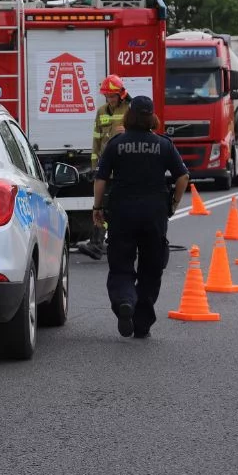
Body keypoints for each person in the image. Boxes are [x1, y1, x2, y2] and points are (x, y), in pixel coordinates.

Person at [92, 95, 190, 339]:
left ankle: (125, 300)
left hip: (122, 213)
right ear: (152, 117)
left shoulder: (116, 144)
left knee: (120, 265)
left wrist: (97, 208)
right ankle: (142, 322)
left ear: (130, 115)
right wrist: (174, 203)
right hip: (154, 214)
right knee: (151, 268)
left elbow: (101, 178)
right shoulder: (164, 144)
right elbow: (182, 176)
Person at [76, 74, 130, 259]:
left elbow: (144, 131)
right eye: (107, 96)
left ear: (121, 94)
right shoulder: (101, 112)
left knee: (122, 206)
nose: (110, 99)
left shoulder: (130, 110)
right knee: (101, 205)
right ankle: (96, 244)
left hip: (124, 167)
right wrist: (94, 166)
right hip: (106, 166)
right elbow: (96, 141)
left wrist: (128, 131)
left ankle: (120, 242)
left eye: (113, 96)